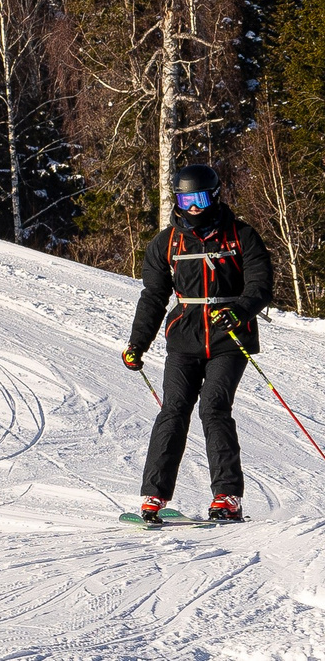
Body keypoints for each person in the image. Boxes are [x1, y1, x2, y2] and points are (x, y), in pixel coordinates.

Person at [123, 161, 272, 524]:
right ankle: (153, 497)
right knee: (173, 410)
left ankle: (227, 496)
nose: (192, 207)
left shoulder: (241, 235)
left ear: (215, 196)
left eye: (200, 198)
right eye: (185, 198)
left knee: (213, 408)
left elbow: (260, 286)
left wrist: (240, 311)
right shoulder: (167, 242)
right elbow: (153, 297)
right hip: (185, 338)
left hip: (229, 337)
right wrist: (137, 344)